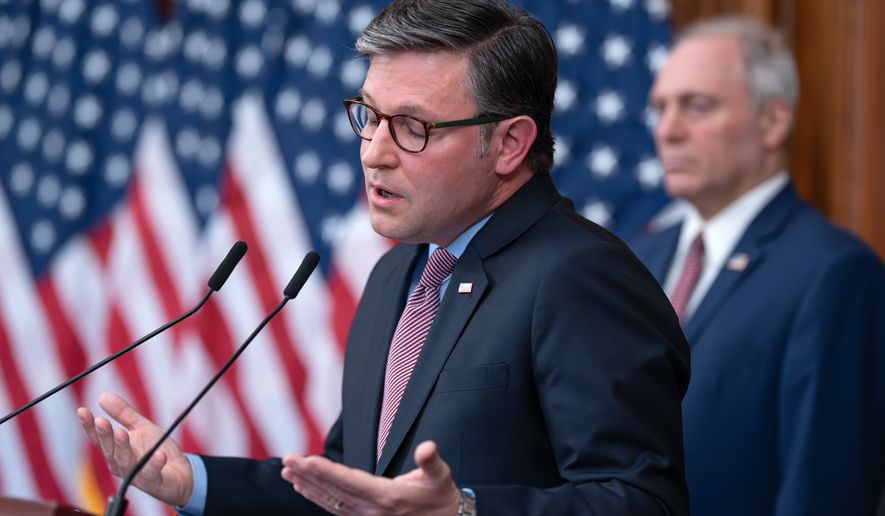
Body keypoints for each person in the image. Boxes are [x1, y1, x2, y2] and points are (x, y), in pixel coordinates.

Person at [79, 0, 691, 514]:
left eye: (413, 127)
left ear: (509, 143)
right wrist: (193, 482)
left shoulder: (580, 275)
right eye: (369, 116)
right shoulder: (398, 274)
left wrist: (464, 510)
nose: (374, 151)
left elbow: (642, 501)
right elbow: (349, 491)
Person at [629, 15, 885, 516]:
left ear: (772, 122)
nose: (668, 131)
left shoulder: (834, 273)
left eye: (697, 106)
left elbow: (823, 488)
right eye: (660, 108)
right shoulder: (634, 257)